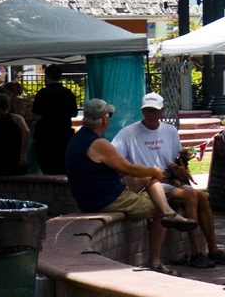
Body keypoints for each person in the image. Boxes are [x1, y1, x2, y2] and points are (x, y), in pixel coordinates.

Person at [65, 98, 206, 274]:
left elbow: (116, 169)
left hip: (94, 193)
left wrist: (149, 173)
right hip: (105, 198)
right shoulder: (99, 144)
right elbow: (127, 167)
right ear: (104, 119)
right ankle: (155, 261)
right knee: (157, 210)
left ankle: (170, 213)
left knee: (148, 177)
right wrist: (154, 170)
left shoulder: (80, 138)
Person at [112, 93, 225, 267]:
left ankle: (213, 250)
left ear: (162, 111)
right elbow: (115, 160)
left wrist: (180, 170)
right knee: (192, 196)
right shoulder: (127, 133)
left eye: (154, 111)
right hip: (149, 184)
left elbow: (178, 161)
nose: (151, 114)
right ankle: (195, 252)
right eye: (147, 110)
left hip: (169, 179)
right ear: (142, 111)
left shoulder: (170, 131)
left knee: (203, 197)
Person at [29, 66, 77, 175]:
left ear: (47, 77)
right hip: (63, 135)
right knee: (61, 167)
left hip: (45, 136)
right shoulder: (68, 93)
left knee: (47, 167)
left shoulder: (42, 93)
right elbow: (74, 113)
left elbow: (36, 115)